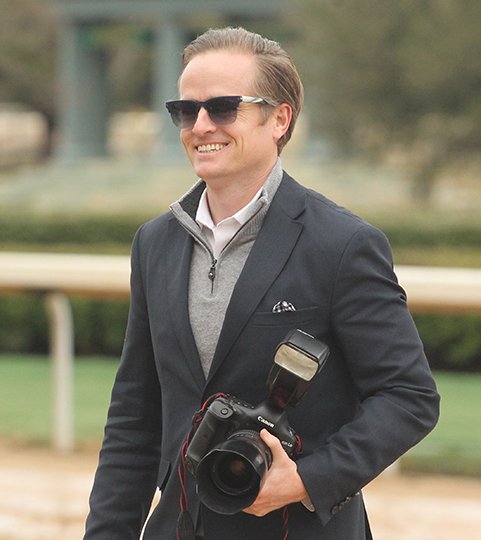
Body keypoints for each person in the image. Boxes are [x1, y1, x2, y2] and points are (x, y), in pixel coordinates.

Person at [84, 27, 439, 540]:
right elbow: (134, 420)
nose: (200, 124)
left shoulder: (342, 243)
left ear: (280, 118)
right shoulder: (154, 242)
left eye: (224, 107)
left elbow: (409, 396)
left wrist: (305, 480)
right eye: (187, 110)